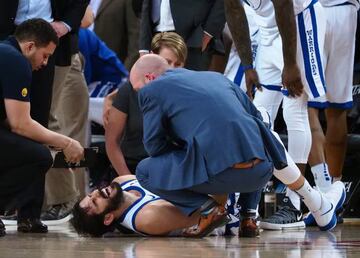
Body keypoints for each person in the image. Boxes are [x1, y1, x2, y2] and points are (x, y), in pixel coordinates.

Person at [129, 54, 346, 236]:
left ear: (149, 77)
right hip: (262, 173)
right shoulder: (218, 78)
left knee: (145, 171)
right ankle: (248, 217)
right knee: (254, 136)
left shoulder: (152, 89)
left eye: (137, 89)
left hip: (221, 174)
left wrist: (180, 144)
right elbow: (259, 122)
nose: (139, 95)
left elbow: (154, 147)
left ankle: (208, 210)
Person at [0, 19, 84, 237]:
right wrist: (66, 142)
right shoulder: (16, 62)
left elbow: (11, 121)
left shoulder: (5, 53)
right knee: (39, 156)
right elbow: (20, 124)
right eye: (45, 55)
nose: (46, 63)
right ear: (29, 47)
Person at [104, 32, 187, 177]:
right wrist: (128, 179)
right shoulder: (129, 90)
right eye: (167, 62)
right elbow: (112, 143)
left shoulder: (185, 94)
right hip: (131, 169)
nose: (171, 69)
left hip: (170, 173)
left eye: (178, 64)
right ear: (151, 57)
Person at [71, 175, 201, 236]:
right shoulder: (147, 218)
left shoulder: (121, 181)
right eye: (94, 202)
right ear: (108, 218)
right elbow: (205, 214)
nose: (96, 193)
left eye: (89, 195)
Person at [138, 0, 225, 71]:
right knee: (159, 89)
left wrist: (208, 32)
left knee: (190, 88)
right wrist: (144, 48)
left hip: (192, 36)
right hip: (155, 34)